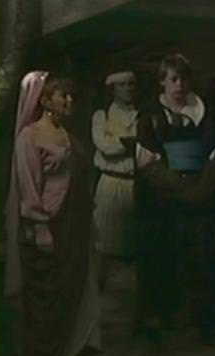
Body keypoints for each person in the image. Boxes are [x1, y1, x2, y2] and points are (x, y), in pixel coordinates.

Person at [133, 53, 215, 356]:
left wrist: (201, 189)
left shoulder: (205, 113)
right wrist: (179, 187)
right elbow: (146, 163)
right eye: (173, 79)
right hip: (163, 202)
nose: (179, 85)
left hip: (199, 199)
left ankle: (207, 325)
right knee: (160, 263)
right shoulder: (150, 116)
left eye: (184, 79)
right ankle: (154, 330)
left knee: (204, 261)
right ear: (162, 82)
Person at [4, 71, 101, 356]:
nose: (70, 101)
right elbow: (29, 185)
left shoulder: (68, 135)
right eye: (63, 96)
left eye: (71, 96)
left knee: (74, 286)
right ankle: (44, 355)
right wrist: (40, 227)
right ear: (45, 101)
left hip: (74, 221)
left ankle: (71, 349)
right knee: (47, 293)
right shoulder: (29, 136)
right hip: (50, 222)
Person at [91, 69, 139, 290]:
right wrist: (129, 143)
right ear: (112, 89)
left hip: (134, 183)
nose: (127, 89)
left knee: (133, 242)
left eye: (130, 84)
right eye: (122, 85)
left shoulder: (140, 116)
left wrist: (122, 141)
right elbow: (105, 146)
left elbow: (144, 146)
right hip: (110, 184)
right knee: (105, 241)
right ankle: (98, 290)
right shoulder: (102, 116)